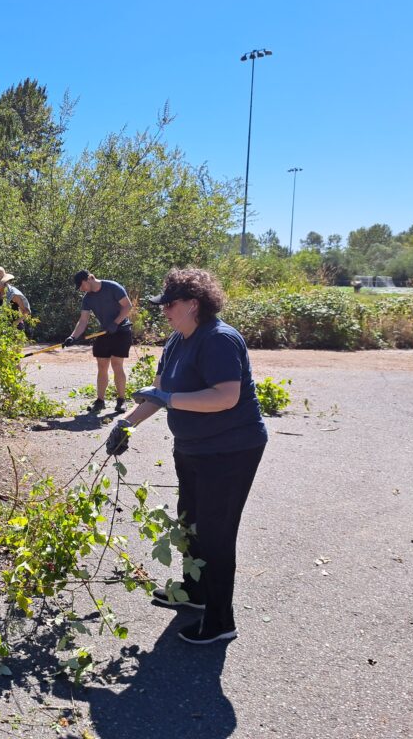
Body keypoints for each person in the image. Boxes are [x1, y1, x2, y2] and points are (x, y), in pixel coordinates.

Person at [106, 268, 267, 645]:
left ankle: (220, 620)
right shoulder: (179, 340)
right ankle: (195, 594)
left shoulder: (220, 340)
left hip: (231, 450)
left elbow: (225, 397)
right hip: (194, 448)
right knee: (189, 522)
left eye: (170, 304)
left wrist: (170, 400)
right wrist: (127, 424)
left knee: (216, 533)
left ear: (194, 304)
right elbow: (161, 390)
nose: (164, 310)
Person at [63, 270, 133, 413]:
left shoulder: (113, 287)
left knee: (116, 364)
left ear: (89, 279)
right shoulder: (87, 298)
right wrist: (73, 337)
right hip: (104, 331)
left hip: (121, 331)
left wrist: (116, 323)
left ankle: (121, 400)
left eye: (81, 285)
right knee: (102, 366)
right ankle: (100, 401)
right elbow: (83, 321)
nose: (81, 289)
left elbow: (127, 306)